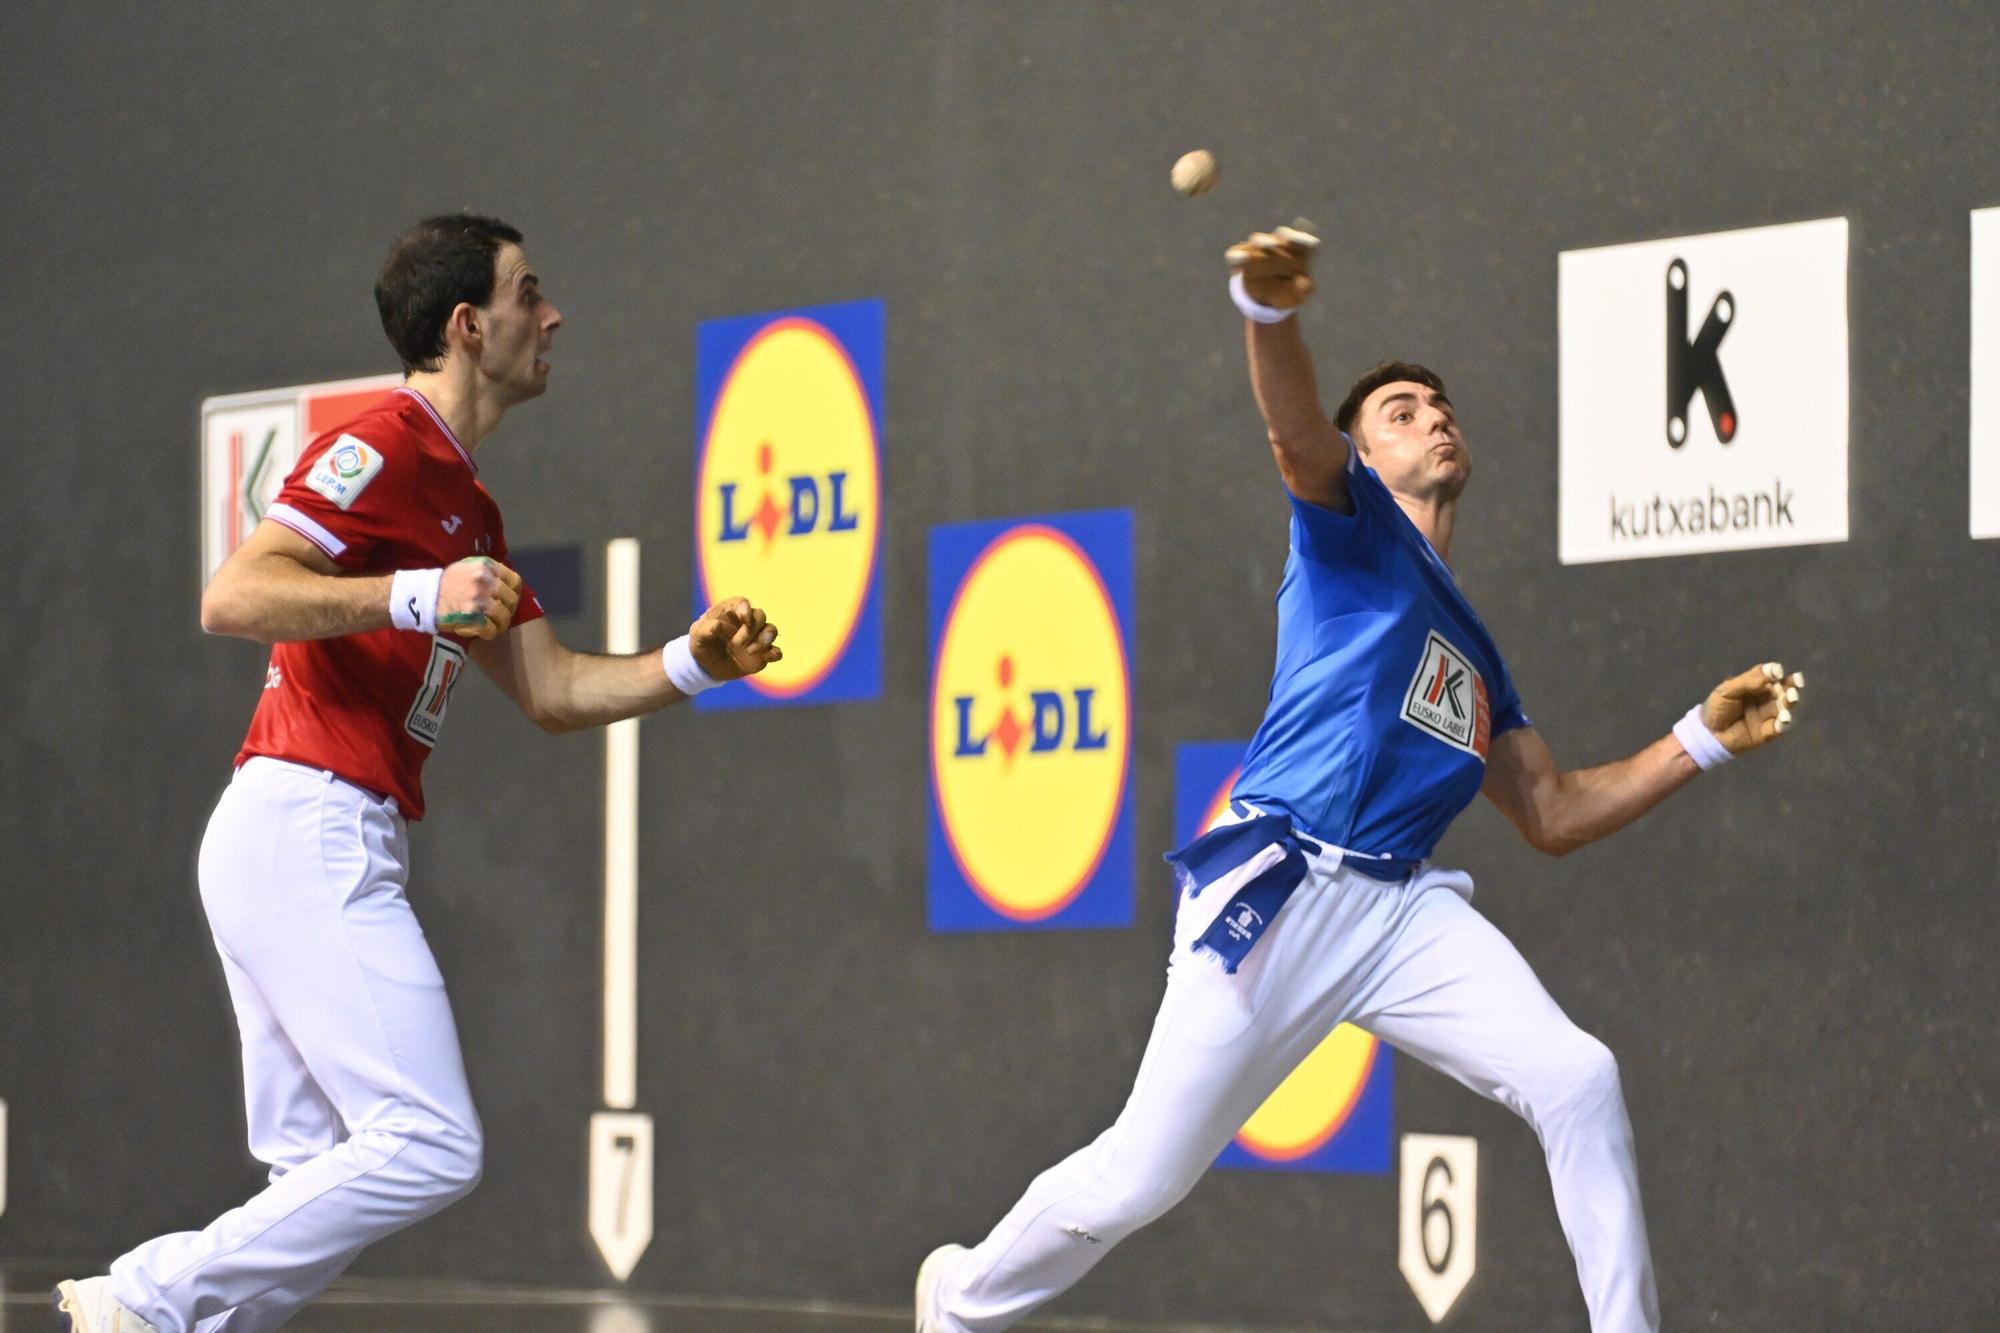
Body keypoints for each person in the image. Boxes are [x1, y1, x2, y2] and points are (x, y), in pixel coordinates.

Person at [915, 223, 1805, 1333]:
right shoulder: (1348, 535)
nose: (1431, 417)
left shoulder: (1476, 655)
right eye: (1400, 412)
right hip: (1278, 887)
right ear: (1365, 458)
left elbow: (1552, 811)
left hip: (1398, 910)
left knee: (1576, 1076)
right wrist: (1269, 315)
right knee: (1140, 1178)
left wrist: (1699, 738)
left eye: (1439, 407)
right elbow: (1294, 437)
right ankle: (956, 1302)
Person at [56, 214, 782, 1333]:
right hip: (306, 824)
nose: (552, 315)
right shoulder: (382, 442)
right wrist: (410, 594)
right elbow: (234, 594)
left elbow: (553, 691)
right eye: (526, 293)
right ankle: (142, 1297)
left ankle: (168, 1318)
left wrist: (694, 662)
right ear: (466, 325)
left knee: (306, 1181)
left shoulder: (469, 507)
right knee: (429, 1141)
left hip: (305, 836)